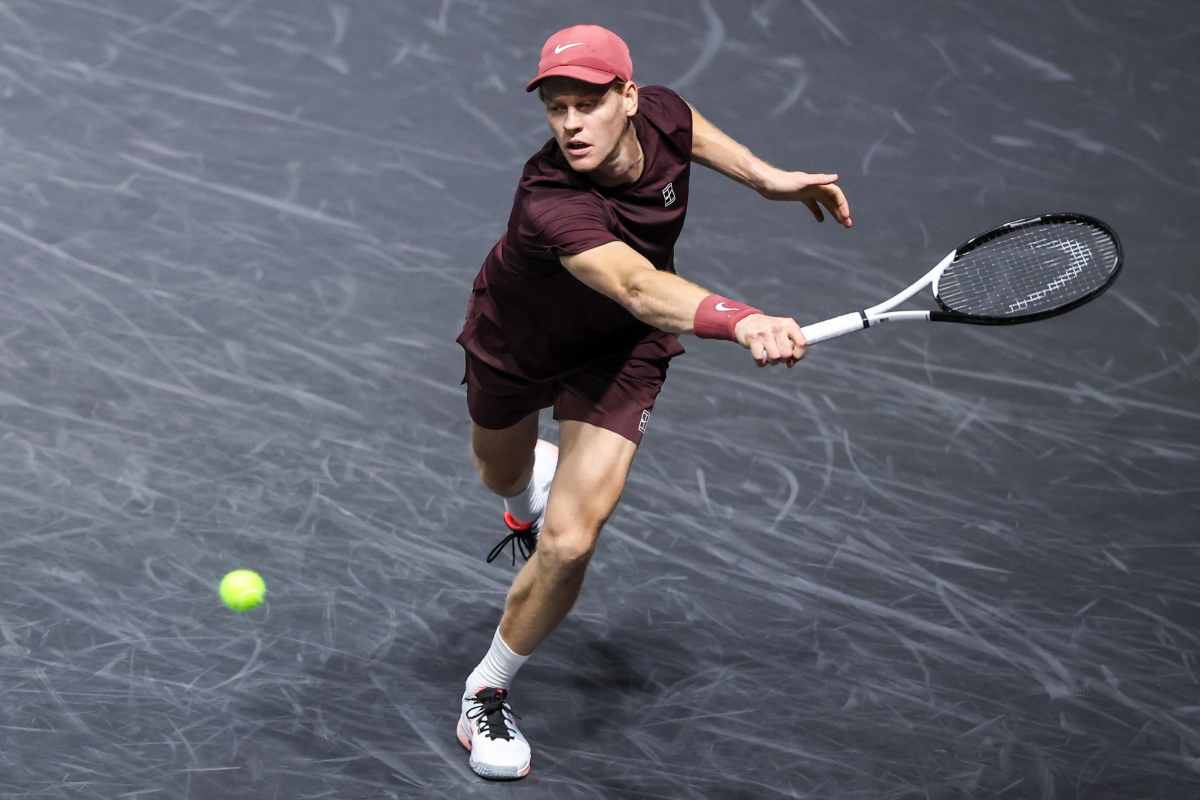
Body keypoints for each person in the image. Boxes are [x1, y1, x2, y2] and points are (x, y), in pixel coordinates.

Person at [453, 23, 852, 780]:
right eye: (556, 108)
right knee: (499, 474)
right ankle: (528, 487)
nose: (571, 124)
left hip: (619, 354)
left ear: (628, 98)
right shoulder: (550, 199)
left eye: (588, 105)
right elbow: (637, 285)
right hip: (516, 344)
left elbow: (688, 127)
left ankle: (485, 691)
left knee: (571, 542)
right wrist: (743, 320)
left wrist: (768, 178)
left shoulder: (662, 112)